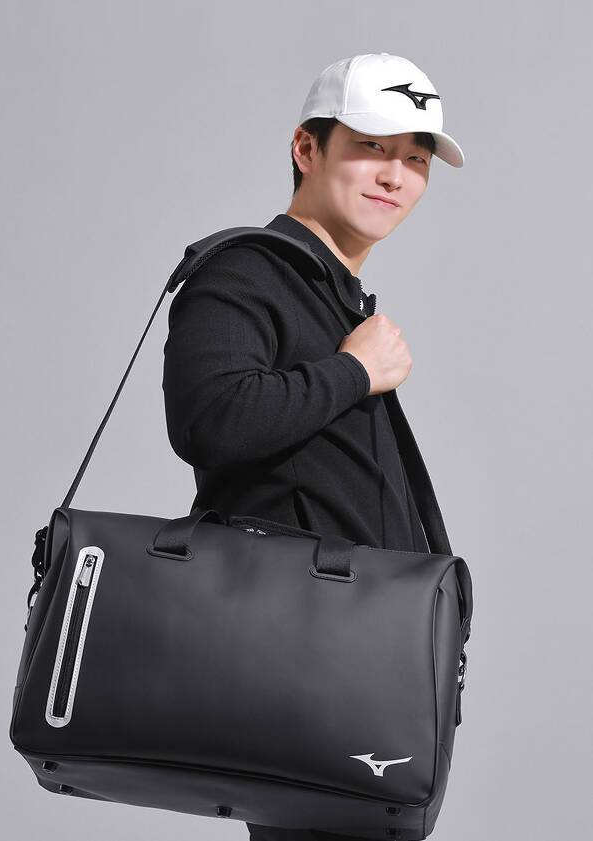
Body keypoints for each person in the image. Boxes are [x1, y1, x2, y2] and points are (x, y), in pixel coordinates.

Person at [162, 51, 464, 840]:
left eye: (416, 159)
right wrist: (354, 371)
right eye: (371, 148)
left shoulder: (337, 299)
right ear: (307, 148)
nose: (395, 176)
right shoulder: (244, 272)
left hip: (365, 684)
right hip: (304, 673)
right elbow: (209, 420)